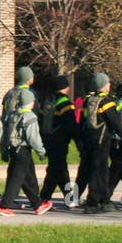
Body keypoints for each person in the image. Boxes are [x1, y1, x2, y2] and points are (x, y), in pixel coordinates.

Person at [0, 76, 50, 216]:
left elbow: (5, 135)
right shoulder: (30, 117)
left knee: (27, 177)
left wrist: (3, 151)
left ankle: (37, 204)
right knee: (17, 178)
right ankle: (4, 205)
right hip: (23, 150)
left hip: (13, 149)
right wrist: (41, 151)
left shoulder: (13, 115)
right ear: (30, 102)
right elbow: (33, 137)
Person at [79, 72, 122, 213]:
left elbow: (82, 120)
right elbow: (115, 123)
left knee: (97, 170)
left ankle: (105, 199)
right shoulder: (107, 102)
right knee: (99, 171)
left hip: (88, 139)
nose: (109, 85)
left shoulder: (88, 101)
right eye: (108, 83)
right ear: (104, 86)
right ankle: (93, 203)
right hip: (102, 140)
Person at [38, 74, 77, 208]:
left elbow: (40, 121)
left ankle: (49, 198)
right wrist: (78, 142)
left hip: (47, 140)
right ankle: (46, 199)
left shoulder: (47, 102)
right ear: (65, 88)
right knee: (58, 170)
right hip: (60, 141)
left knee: (57, 169)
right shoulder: (65, 103)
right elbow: (71, 125)